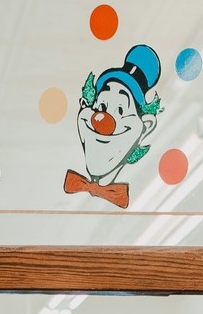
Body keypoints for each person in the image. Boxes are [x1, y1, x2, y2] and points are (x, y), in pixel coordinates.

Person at [64, 43, 162, 209]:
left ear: (145, 126)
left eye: (121, 110)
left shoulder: (150, 193)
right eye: (101, 106)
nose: (102, 121)